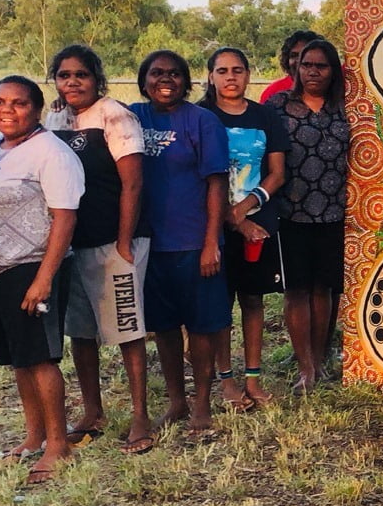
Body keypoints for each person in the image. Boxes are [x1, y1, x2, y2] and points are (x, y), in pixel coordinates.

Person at [0, 76, 85, 483]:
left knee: (40, 356)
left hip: (34, 266)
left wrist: (44, 278)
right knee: (19, 357)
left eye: (19, 103)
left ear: (37, 109)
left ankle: (58, 443)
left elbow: (65, 218)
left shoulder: (52, 153)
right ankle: (34, 435)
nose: (7, 110)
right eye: (0, 101)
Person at [45, 44, 156, 454]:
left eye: (81, 75)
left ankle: (140, 415)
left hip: (115, 241)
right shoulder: (55, 116)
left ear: (97, 78)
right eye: (64, 75)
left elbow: (133, 183)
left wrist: (124, 243)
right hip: (73, 243)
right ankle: (93, 412)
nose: (72, 82)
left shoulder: (116, 115)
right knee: (82, 331)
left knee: (127, 328)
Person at [129, 50, 230, 432]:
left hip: (193, 243)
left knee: (202, 328)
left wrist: (211, 243)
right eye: (156, 73)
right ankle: (177, 402)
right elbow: (95, 113)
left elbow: (217, 182)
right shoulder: (134, 116)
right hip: (150, 244)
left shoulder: (202, 121)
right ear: (144, 80)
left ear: (187, 82)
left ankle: (202, 403)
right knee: (165, 328)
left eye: (174, 74)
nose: (165, 80)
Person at [201, 47, 288, 409]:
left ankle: (253, 378)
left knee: (252, 301)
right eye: (222, 71)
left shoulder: (265, 117)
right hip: (212, 227)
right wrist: (233, 221)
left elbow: (278, 173)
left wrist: (245, 210)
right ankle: (226, 381)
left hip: (258, 222)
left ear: (249, 74)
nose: (230, 77)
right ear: (211, 77)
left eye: (238, 69)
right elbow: (198, 177)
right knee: (221, 305)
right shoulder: (201, 116)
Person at [267, 38, 351, 392]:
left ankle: (320, 360)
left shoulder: (346, 107)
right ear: (296, 68)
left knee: (325, 291)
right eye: (307, 65)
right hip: (292, 213)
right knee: (297, 291)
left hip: (335, 213)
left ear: (333, 72)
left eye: (322, 66)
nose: (313, 72)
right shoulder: (279, 106)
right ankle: (305, 368)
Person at [258, 30, 320, 104]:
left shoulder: (334, 91)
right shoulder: (273, 92)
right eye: (294, 55)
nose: (299, 60)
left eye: (305, 55)